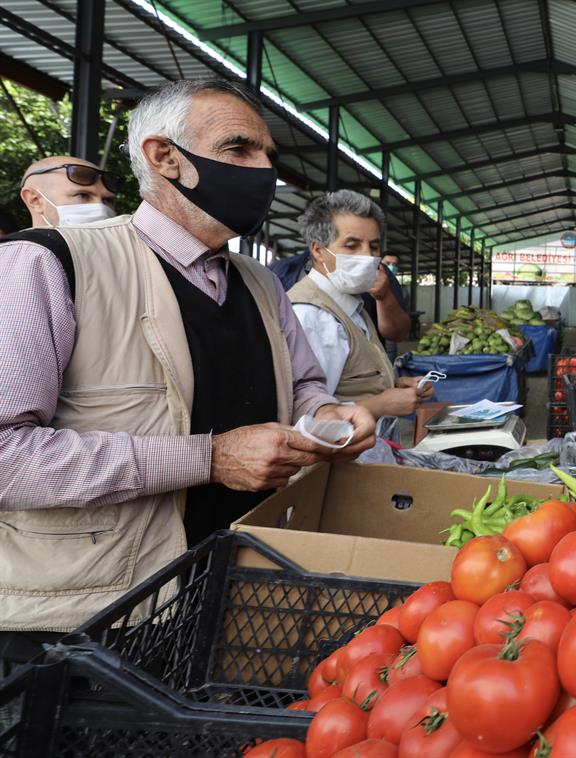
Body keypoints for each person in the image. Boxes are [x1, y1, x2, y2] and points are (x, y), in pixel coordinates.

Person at [0, 79, 375, 654]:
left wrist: (329, 413)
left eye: (268, 157)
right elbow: (8, 457)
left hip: (239, 587)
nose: (263, 172)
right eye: (239, 150)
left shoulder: (260, 284)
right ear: (165, 158)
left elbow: (301, 384)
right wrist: (211, 457)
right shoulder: (48, 263)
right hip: (94, 616)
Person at [289, 190, 430, 418]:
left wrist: (392, 387)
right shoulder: (313, 316)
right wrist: (381, 405)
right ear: (318, 251)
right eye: (352, 245)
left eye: (373, 246)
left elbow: (347, 385)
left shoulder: (351, 304)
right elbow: (307, 417)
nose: (367, 256)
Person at [270, 245, 411, 341]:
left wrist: (384, 297)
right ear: (317, 248)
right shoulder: (282, 272)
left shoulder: (380, 274)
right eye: (351, 245)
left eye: (373, 245)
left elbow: (398, 333)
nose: (366, 253)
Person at [17, 155, 118, 227]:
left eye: (108, 200)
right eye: (82, 195)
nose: (101, 209)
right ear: (34, 200)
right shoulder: (16, 255)